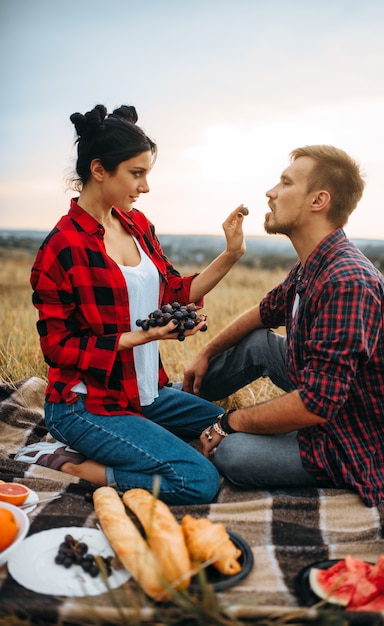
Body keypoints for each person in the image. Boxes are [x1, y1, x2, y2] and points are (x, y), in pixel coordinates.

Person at [16, 104, 248, 505]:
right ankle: (79, 467)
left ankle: (132, 447)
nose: (144, 187)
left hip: (144, 394)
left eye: (146, 174)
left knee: (235, 428)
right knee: (198, 480)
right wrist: (137, 337)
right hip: (86, 404)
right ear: (99, 170)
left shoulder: (137, 224)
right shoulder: (62, 247)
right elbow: (57, 349)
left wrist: (231, 254)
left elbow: (174, 292)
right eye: (136, 174)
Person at [183, 144, 384, 508]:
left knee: (234, 454)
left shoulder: (347, 281)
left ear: (318, 200)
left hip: (364, 435)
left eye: (286, 183)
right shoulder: (315, 262)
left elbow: (316, 405)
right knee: (258, 342)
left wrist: (230, 423)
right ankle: (176, 406)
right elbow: (262, 312)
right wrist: (205, 352)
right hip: (337, 399)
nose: (271, 192)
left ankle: (213, 427)